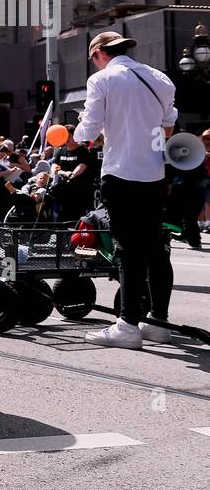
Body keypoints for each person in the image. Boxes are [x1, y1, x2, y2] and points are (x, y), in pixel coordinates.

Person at [72, 31, 178, 347]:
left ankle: (128, 324)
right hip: (154, 176)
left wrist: (80, 129)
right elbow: (168, 126)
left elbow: (87, 131)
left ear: (99, 54)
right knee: (156, 249)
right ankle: (158, 321)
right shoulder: (160, 79)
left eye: (93, 59)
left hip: (121, 174)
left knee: (127, 249)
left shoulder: (102, 80)